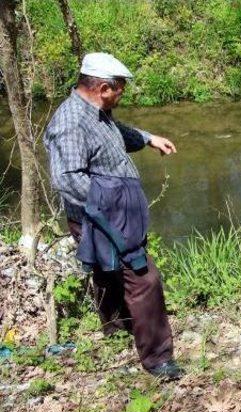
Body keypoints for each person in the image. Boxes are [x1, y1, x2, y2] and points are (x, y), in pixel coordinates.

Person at [43, 52, 183, 380]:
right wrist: (114, 204)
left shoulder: (95, 112)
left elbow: (116, 134)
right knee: (143, 276)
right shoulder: (69, 123)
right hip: (101, 218)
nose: (122, 94)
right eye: (120, 89)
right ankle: (158, 359)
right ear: (104, 88)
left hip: (108, 214)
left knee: (107, 273)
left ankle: (117, 330)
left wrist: (148, 139)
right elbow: (67, 179)